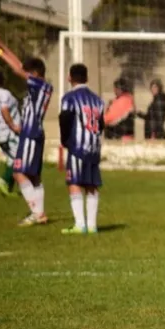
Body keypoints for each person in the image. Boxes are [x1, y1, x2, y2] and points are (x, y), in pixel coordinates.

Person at [0, 39, 53, 227]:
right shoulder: (41, 86)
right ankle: (40, 213)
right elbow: (20, 67)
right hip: (35, 132)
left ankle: (36, 213)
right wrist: (1, 47)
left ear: (34, 74)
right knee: (34, 176)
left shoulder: (39, 85)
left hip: (30, 133)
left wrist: (0, 53)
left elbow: (18, 70)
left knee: (19, 173)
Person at [59, 64, 105, 235]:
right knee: (92, 185)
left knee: (74, 182)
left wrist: (65, 141)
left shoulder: (69, 98)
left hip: (78, 147)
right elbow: (101, 124)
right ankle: (92, 226)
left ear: (69, 77)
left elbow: (65, 118)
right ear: (87, 78)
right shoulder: (98, 100)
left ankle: (80, 225)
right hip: (94, 147)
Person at [0, 69, 20, 197]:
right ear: (3, 80)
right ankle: (3, 180)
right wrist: (13, 126)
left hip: (0, 133)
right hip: (9, 133)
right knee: (20, 158)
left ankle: (8, 188)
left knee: (11, 159)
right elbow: (4, 110)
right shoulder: (4, 94)